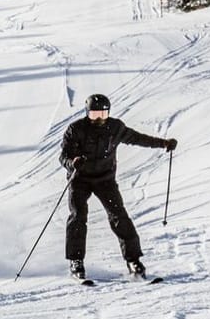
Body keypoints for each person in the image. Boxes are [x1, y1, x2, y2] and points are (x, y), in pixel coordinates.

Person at [59, 93, 176, 281]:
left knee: (119, 216)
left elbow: (138, 138)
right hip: (80, 179)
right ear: (87, 113)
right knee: (78, 217)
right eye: (95, 115)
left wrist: (163, 143)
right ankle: (76, 261)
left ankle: (133, 260)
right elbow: (63, 156)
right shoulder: (76, 129)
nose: (99, 119)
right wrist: (73, 163)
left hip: (105, 180)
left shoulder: (115, 127)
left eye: (103, 115)